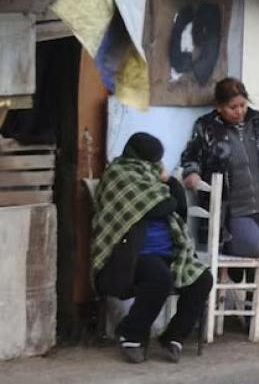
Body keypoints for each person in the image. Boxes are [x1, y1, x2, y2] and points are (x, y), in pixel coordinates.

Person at [180, 77, 259, 338]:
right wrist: (193, 175)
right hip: (231, 212)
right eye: (233, 107)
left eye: (242, 105)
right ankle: (256, 317)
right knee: (258, 246)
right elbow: (191, 157)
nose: (239, 111)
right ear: (219, 107)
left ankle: (258, 319)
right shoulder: (206, 128)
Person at [92, 132, 212, 364]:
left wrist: (170, 182)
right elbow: (157, 208)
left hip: (169, 251)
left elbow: (179, 209)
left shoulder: (152, 177)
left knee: (202, 279)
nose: (156, 165)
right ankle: (131, 334)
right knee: (159, 278)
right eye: (152, 161)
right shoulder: (119, 174)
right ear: (138, 158)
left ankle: (173, 337)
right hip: (132, 254)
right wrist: (167, 194)